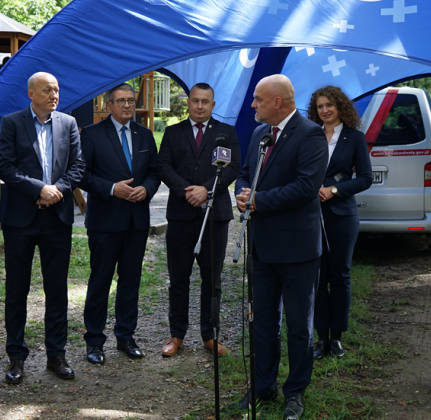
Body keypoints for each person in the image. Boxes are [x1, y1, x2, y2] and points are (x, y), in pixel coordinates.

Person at [231, 74, 327, 420]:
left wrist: (258, 201)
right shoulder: (259, 133)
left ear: (278, 102)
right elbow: (245, 173)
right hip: (262, 245)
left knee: (299, 325)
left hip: (298, 247)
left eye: (258, 99)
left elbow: (305, 187)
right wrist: (243, 192)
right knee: (262, 321)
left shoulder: (311, 134)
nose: (252, 104)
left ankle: (295, 393)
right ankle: (263, 385)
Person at [0, 72, 85, 384]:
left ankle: (56, 355)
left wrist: (55, 190)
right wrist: (38, 190)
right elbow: (4, 166)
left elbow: (78, 166)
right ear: (31, 93)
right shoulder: (11, 122)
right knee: (17, 289)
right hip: (20, 218)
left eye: (57, 90)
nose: (54, 95)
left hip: (56, 218)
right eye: (47, 90)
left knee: (57, 289)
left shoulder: (68, 123)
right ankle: (16, 357)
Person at [156, 83, 241, 357]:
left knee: (212, 279)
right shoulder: (172, 132)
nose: (200, 106)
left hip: (215, 216)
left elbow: (234, 167)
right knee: (178, 278)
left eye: (205, 101)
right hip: (180, 216)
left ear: (213, 105)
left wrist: (207, 190)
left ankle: (210, 334)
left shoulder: (226, 133)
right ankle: (176, 334)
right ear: (188, 102)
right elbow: (164, 167)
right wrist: (185, 191)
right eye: (195, 101)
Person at [79, 83, 160, 364]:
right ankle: (94, 340)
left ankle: (126, 336)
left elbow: (154, 172)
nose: (127, 105)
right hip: (105, 220)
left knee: (130, 282)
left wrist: (147, 189)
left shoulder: (145, 135)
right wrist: (113, 188)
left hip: (136, 220)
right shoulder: (91, 134)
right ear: (108, 104)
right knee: (100, 281)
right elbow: (81, 175)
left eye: (131, 100)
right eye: (121, 101)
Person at [306, 86, 372, 360]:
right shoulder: (309, 135)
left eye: (329, 105)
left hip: (342, 216)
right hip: (310, 215)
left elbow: (365, 178)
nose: (325, 110)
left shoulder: (355, 138)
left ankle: (337, 339)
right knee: (318, 278)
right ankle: (321, 339)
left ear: (340, 107)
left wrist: (334, 189)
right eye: (320, 106)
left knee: (340, 277)